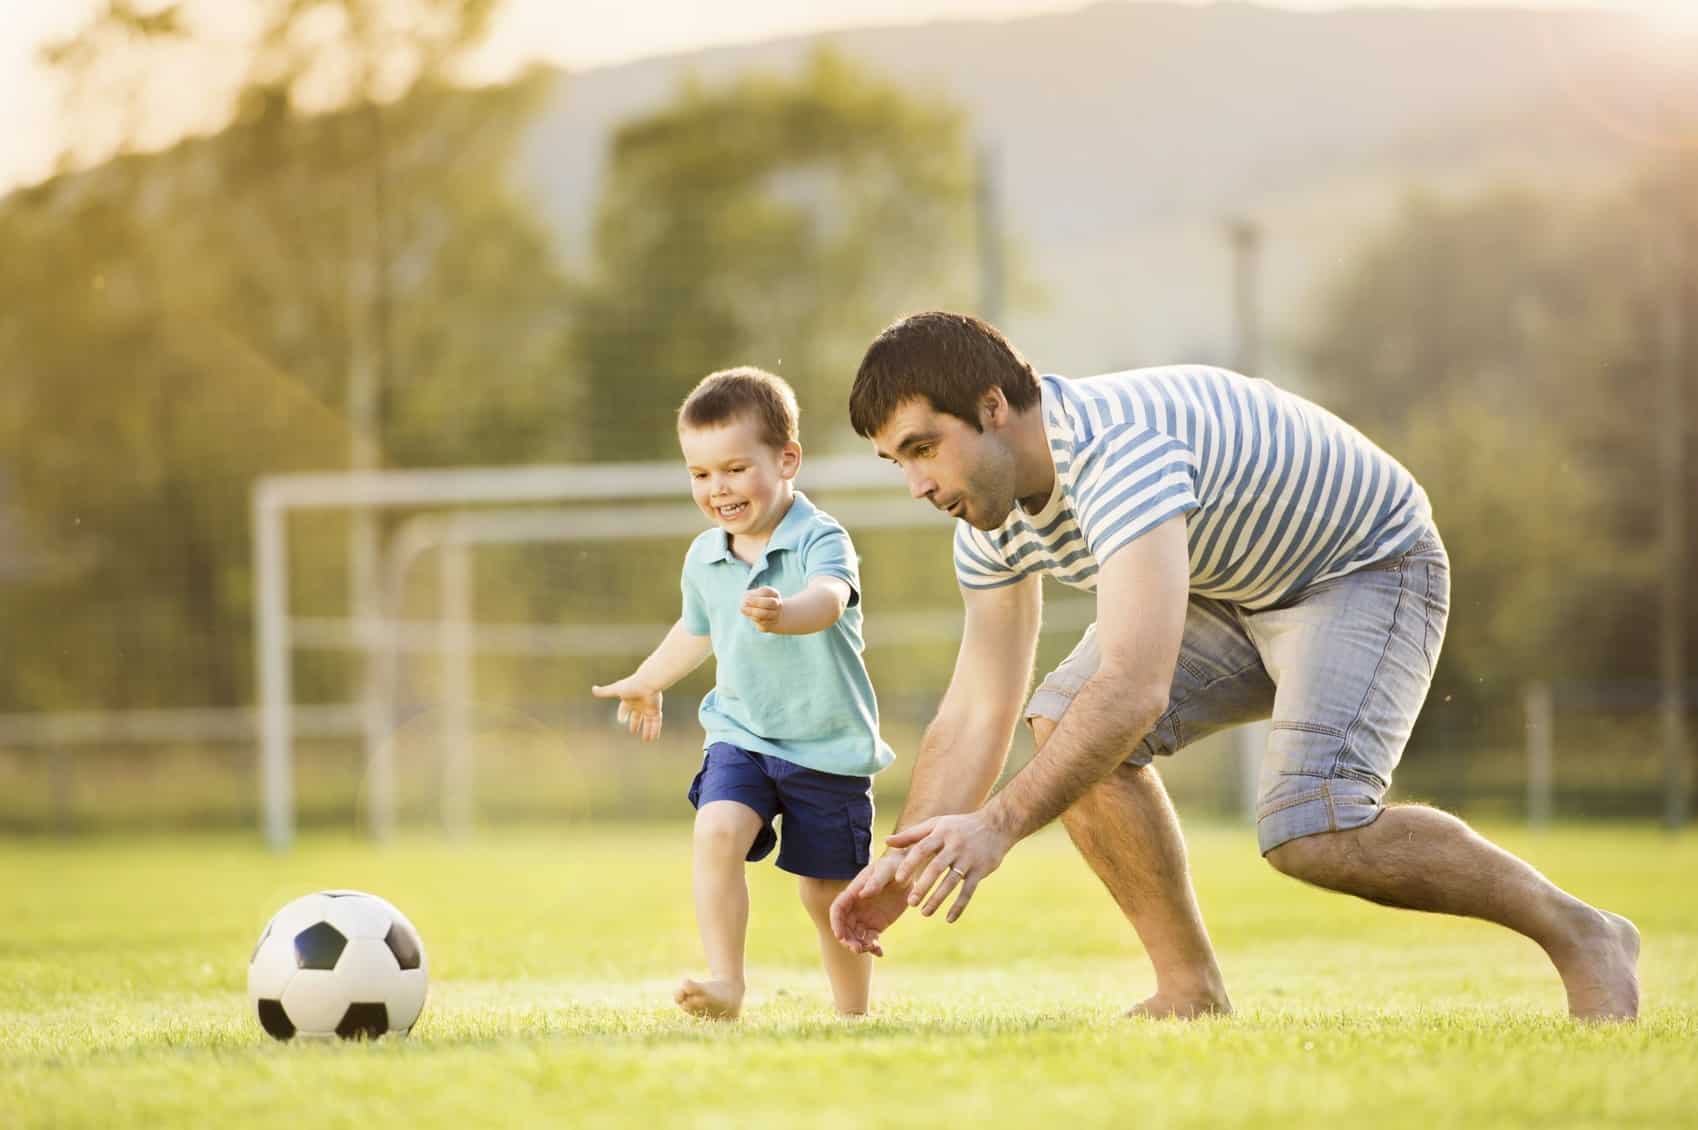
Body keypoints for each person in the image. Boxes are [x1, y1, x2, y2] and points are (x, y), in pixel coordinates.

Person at [827, 311, 1640, 1021]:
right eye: (899, 461)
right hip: (1229, 586)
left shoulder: (1118, 456)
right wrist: (909, 856)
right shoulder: (987, 519)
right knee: (1062, 719)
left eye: (923, 449)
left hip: (1362, 567)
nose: (915, 484)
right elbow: (977, 706)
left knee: (1312, 829)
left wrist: (999, 826)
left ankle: (1583, 931)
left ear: (993, 408)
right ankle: (1190, 991)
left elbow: (1136, 689)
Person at [593, 367, 895, 1019]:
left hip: (827, 746)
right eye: (700, 474)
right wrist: (648, 679)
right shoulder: (704, 554)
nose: (717, 489)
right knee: (718, 829)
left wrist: (785, 612)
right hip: (742, 734)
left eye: (734, 469)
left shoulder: (821, 537)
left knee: (826, 893)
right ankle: (726, 983)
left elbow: (829, 599)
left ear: (787, 459)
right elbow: (695, 628)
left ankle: (852, 1013)